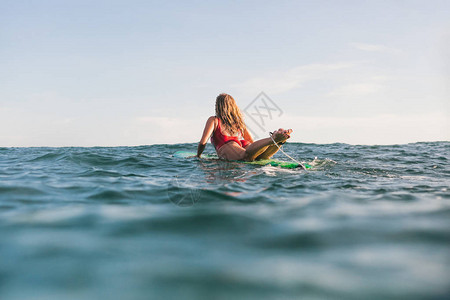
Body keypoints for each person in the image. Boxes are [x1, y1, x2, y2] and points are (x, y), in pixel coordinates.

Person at [196, 93, 292, 161]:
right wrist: (255, 153)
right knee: (261, 157)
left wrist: (198, 155)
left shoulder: (214, 120)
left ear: (218, 106)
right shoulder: (238, 122)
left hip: (229, 146)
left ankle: (273, 139)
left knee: (245, 156)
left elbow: (203, 142)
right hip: (242, 145)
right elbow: (250, 141)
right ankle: (279, 142)